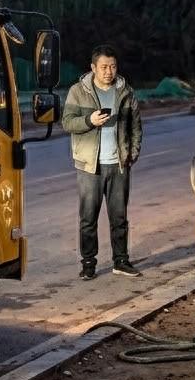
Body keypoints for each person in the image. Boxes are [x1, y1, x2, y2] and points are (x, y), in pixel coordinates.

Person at [61, 44, 143, 280]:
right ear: (93, 68)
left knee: (119, 217)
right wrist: (90, 120)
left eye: (113, 66)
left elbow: (135, 125)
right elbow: (67, 122)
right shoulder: (78, 91)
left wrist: (132, 153)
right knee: (88, 218)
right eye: (104, 66)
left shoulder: (125, 91)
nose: (109, 71)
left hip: (118, 165)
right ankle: (88, 264)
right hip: (90, 166)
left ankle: (121, 261)